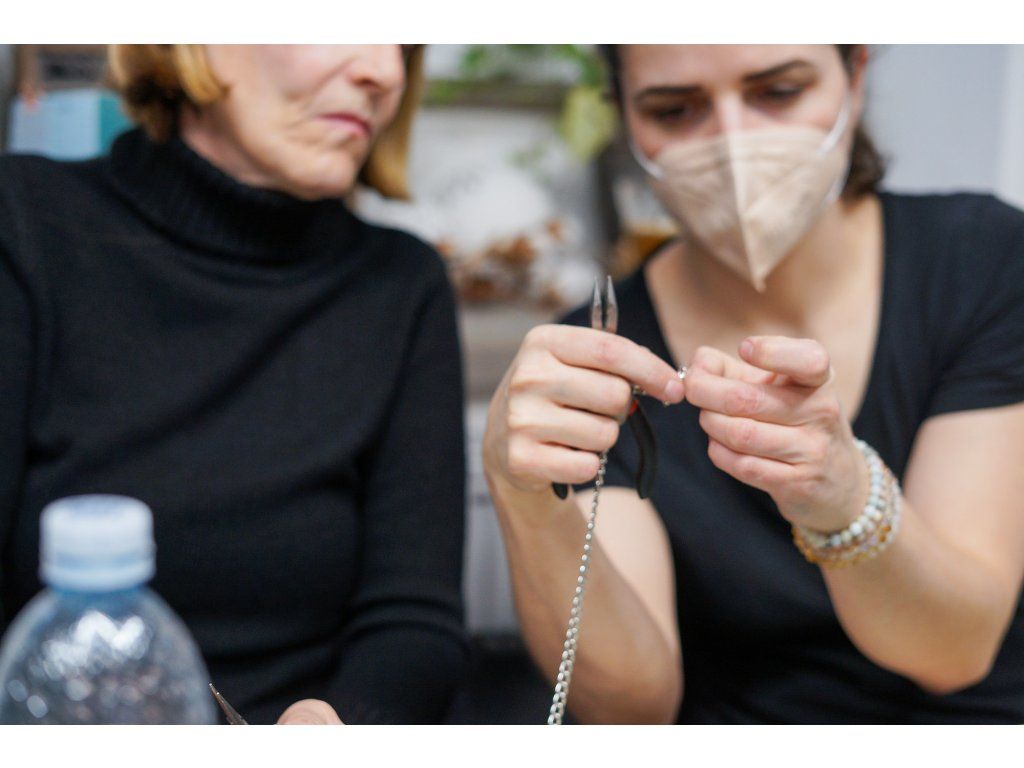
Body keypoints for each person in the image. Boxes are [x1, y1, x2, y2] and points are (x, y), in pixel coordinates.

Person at [482, 44, 1024, 723]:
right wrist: (525, 497)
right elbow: (630, 709)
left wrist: (846, 498)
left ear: (854, 76)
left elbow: (955, 652)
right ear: (624, 116)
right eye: (675, 110)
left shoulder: (982, 261)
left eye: (779, 91)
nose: (733, 144)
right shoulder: (594, 360)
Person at [0, 44, 467, 725]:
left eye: (404, 39)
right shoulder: (22, 224)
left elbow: (414, 624)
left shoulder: (403, 285)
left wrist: (336, 723)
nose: (386, 72)